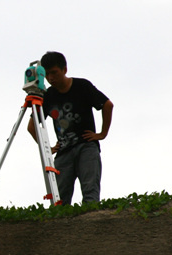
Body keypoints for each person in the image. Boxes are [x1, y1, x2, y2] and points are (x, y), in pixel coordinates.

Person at [27, 51, 114, 205]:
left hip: (86, 146)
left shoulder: (82, 86)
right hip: (63, 152)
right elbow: (31, 126)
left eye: (54, 73)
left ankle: (91, 226)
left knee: (90, 194)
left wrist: (102, 134)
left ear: (64, 70)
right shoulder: (47, 95)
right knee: (59, 200)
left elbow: (107, 105)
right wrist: (47, 147)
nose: (50, 78)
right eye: (46, 74)